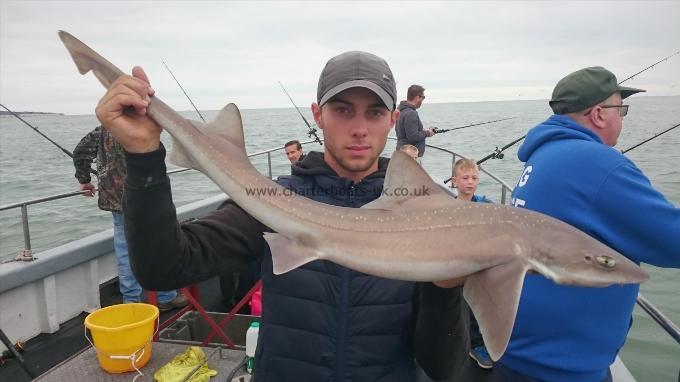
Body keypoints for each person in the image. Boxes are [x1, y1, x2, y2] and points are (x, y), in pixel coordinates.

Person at [94, 50, 469, 381]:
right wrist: (143, 159)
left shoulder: (425, 215)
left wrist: (446, 291)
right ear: (317, 115)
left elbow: (444, 368)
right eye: (342, 110)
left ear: (393, 119)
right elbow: (163, 268)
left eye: (374, 113)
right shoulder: (273, 202)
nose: (359, 129)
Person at [504, 66, 680, 382]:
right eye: (620, 109)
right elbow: (674, 242)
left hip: (522, 347)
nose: (623, 118)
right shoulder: (599, 164)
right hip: (560, 365)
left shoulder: (545, 155)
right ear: (598, 114)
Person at [73, 127, 188, 312]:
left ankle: (131, 301)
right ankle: (166, 296)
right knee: (159, 244)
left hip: (117, 198)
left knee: (125, 247)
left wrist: (84, 179)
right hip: (149, 195)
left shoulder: (103, 130)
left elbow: (80, 152)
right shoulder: (144, 128)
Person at [450, 159, 493, 370]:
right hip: (453, 265)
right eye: (465, 178)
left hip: (477, 267)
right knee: (452, 307)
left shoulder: (485, 205)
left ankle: (477, 345)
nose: (470, 182)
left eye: (474, 178)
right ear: (454, 181)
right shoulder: (447, 208)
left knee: (477, 309)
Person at [395, 85, 434, 160]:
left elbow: (407, 132)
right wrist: (428, 133)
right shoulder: (411, 113)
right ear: (417, 97)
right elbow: (413, 136)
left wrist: (424, 131)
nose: (422, 100)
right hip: (410, 157)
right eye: (423, 97)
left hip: (403, 154)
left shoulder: (401, 110)